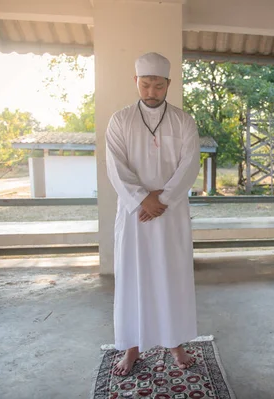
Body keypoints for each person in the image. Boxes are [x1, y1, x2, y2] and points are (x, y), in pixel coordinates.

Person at [105, 52, 201, 376]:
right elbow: (115, 167)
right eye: (145, 84)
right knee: (133, 276)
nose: (151, 92)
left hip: (170, 215)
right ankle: (132, 347)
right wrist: (142, 199)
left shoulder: (184, 121)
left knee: (171, 276)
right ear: (136, 82)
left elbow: (190, 164)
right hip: (135, 215)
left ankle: (175, 343)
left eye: (158, 85)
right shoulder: (119, 120)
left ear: (168, 84)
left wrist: (164, 199)